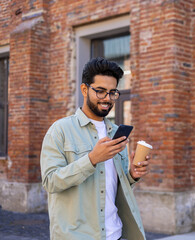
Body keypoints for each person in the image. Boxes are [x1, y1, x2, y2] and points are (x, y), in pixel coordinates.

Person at [40, 57, 149, 240]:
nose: (107, 99)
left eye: (112, 92)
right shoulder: (59, 130)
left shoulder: (116, 133)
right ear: (84, 89)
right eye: (100, 91)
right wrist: (92, 159)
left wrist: (131, 175)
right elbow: (50, 182)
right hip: (77, 236)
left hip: (115, 233)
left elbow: (110, 185)